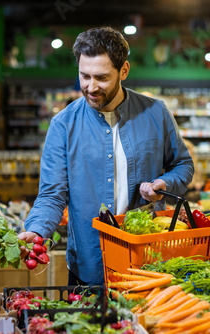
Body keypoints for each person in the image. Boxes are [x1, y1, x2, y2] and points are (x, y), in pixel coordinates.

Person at [18, 27, 194, 286]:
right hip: (89, 267)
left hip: (149, 265)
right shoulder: (63, 125)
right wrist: (36, 230)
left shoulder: (156, 113)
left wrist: (164, 184)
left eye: (101, 77)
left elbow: (183, 164)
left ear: (124, 71)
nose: (91, 87)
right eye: (84, 76)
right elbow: (52, 194)